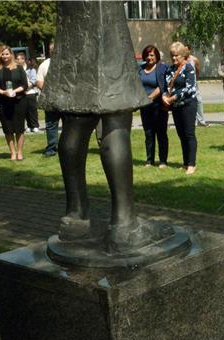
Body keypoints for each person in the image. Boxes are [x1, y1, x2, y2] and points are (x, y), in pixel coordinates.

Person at [39, 0, 156, 251]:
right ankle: (124, 224)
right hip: (105, 16)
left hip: (74, 17)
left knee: (75, 117)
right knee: (115, 117)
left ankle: (75, 217)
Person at [163, 42, 198, 175]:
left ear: (183, 55)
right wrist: (165, 96)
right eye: (172, 55)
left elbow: (189, 87)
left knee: (189, 134)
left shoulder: (189, 68)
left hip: (188, 104)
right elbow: (167, 86)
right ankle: (185, 162)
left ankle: (191, 164)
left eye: (176, 55)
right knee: (181, 135)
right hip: (176, 106)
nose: (174, 58)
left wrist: (173, 98)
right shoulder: (170, 69)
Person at [0, 45, 28, 161]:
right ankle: (12, 152)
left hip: (18, 101)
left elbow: (24, 85)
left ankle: (20, 152)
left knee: (19, 128)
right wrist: (3, 92)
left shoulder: (19, 68)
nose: (5, 56)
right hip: (2, 102)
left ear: (11, 55)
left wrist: (14, 92)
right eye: (3, 54)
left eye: (7, 54)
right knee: (8, 128)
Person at [138, 45, 169, 168]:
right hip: (145, 107)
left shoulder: (162, 68)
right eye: (147, 55)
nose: (149, 57)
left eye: (152, 55)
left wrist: (150, 97)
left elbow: (163, 86)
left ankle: (163, 161)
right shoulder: (140, 68)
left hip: (158, 106)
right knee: (148, 134)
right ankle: (149, 160)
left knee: (161, 133)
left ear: (156, 56)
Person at [36, 43, 59, 157]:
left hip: (66, 100)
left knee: (69, 125)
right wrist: (51, 92)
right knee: (51, 125)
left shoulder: (67, 63)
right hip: (50, 100)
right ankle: (51, 148)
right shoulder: (44, 65)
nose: (54, 51)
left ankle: (67, 147)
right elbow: (39, 82)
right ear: (50, 52)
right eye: (52, 50)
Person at [186, 43, 207, 127]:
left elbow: (198, 70)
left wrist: (195, 79)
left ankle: (201, 121)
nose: (185, 51)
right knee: (188, 103)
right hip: (185, 85)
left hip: (194, 84)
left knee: (199, 101)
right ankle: (192, 121)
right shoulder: (181, 60)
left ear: (189, 50)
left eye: (186, 49)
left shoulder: (194, 59)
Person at [17, 53, 40, 133]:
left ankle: (35, 126)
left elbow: (34, 80)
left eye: (20, 59)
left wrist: (26, 87)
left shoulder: (31, 69)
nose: (19, 60)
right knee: (25, 110)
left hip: (31, 92)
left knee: (32, 110)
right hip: (21, 93)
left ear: (24, 60)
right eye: (18, 59)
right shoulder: (16, 69)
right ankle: (29, 126)